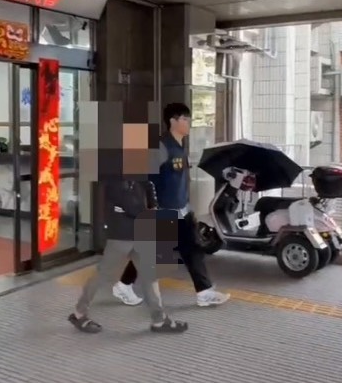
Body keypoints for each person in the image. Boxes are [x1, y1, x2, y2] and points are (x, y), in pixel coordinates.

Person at [68, 107, 188, 334]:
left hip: (138, 230)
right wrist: (149, 213)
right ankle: (79, 313)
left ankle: (159, 319)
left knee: (150, 274)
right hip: (122, 233)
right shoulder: (114, 169)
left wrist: (152, 205)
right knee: (104, 274)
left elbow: (147, 186)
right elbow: (126, 200)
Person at [112, 103, 230, 308]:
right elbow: (144, 177)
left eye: (189, 118)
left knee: (192, 249)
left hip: (182, 211)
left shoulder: (179, 147)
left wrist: (187, 206)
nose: (188, 123)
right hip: (164, 211)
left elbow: (179, 181)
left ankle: (204, 292)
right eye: (184, 118)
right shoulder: (162, 147)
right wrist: (152, 206)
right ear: (172, 121)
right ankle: (123, 285)